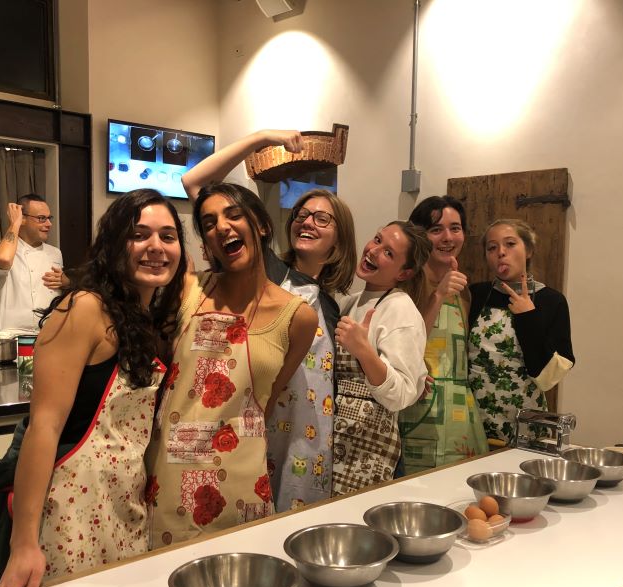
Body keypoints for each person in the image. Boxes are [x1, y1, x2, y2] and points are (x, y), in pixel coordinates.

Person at [0, 189, 186, 587]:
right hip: (68, 509)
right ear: (114, 245)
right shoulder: (85, 307)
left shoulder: (144, 316)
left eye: (168, 236)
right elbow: (45, 427)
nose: (157, 246)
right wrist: (24, 544)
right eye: (139, 234)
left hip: (120, 504)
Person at [181, 129, 358, 511]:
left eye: (322, 218)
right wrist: (259, 139)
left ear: (340, 237)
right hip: (251, 428)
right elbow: (194, 182)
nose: (307, 221)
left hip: (307, 439)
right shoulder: (268, 269)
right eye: (301, 214)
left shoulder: (329, 303)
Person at [146, 182, 317, 546]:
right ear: (207, 244)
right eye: (208, 223)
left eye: (234, 215)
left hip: (243, 481)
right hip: (169, 477)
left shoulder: (297, 317)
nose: (221, 227)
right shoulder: (188, 290)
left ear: (262, 226)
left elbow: (265, 404)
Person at [332, 220, 430, 495]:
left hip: (367, 447)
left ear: (404, 272)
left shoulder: (401, 309)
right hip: (339, 437)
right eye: (377, 240)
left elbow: (402, 393)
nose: (374, 251)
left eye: (389, 253)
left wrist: (363, 350)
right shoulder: (349, 302)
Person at [398, 196, 488, 472]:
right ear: (420, 236)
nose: (447, 237)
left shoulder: (465, 291)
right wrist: (437, 295)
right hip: (418, 412)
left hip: (461, 416)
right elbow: (406, 347)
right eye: (436, 230)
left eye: (455, 228)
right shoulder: (405, 284)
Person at [468, 219, 575, 443]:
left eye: (510, 244)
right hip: (472, 426)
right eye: (492, 247)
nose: (501, 252)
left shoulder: (551, 301)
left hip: (525, 428)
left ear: (529, 250)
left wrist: (528, 316)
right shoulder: (475, 295)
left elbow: (548, 377)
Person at [0, 194, 68, 334]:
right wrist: (14, 224)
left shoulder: (55, 253)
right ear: (22, 218)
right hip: (11, 338)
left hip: (47, 336)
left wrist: (66, 282)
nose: (49, 224)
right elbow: (4, 259)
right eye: (42, 218)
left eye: (49, 218)